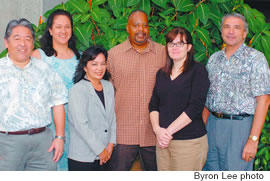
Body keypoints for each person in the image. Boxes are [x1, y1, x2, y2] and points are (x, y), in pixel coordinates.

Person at [203, 13, 270, 171]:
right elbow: (206, 98)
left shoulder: (255, 59)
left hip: (239, 128)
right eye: (227, 27)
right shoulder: (214, 59)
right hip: (212, 126)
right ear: (221, 32)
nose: (231, 31)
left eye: (236, 27)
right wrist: (202, 129)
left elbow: (264, 100)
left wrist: (253, 139)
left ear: (244, 33)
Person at [0, 18, 67, 170]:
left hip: (43, 143)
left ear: (33, 43)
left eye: (27, 39)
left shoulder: (46, 69)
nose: (22, 44)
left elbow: (58, 103)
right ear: (6, 42)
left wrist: (60, 137)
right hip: (6, 143)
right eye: (17, 39)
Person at [107, 10, 166, 171]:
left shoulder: (163, 53)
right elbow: (106, 93)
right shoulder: (113, 55)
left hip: (154, 133)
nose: (141, 29)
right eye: (136, 25)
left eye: (145, 25)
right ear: (127, 28)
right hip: (123, 132)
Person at [149, 27, 209, 171]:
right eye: (171, 43)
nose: (175, 47)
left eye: (180, 43)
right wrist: (158, 131)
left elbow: (195, 107)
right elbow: (153, 105)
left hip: (189, 143)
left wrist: (167, 132)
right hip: (163, 143)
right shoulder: (161, 74)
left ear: (189, 47)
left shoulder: (198, 71)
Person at [32, 9, 80, 171]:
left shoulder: (80, 58)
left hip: (76, 125)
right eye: (58, 27)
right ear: (50, 30)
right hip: (48, 124)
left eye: (67, 27)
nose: (63, 31)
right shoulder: (39, 56)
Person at [67, 46, 116, 171]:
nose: (99, 68)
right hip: (83, 157)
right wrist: (100, 150)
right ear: (84, 67)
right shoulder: (77, 90)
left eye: (103, 64)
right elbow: (81, 125)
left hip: (106, 153)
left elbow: (112, 118)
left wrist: (111, 144)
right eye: (94, 64)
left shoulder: (108, 86)